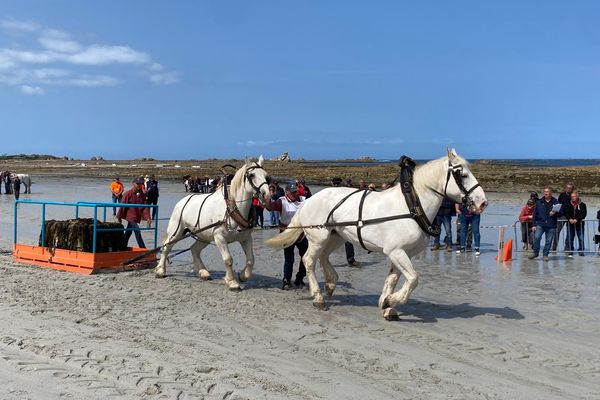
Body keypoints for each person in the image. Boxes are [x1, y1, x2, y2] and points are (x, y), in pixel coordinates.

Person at [264, 182, 308, 289]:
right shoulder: (282, 201)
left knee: (306, 257)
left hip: (301, 234)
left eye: (295, 192)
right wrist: (267, 198)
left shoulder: (303, 200)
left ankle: (300, 278)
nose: (294, 194)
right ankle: (287, 280)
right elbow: (270, 207)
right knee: (289, 259)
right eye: (292, 192)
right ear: (286, 192)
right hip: (287, 233)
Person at [331, 177, 361, 267]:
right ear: (332, 183)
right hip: (331, 220)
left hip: (343, 219)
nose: (336, 185)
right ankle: (323, 259)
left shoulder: (344, 192)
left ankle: (351, 259)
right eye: (335, 184)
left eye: (338, 183)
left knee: (348, 239)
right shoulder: (329, 193)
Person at [117, 177, 151, 248]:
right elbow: (122, 207)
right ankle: (143, 248)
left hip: (136, 216)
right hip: (130, 216)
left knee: (128, 232)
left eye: (141, 184)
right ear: (133, 184)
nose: (139, 185)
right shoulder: (127, 194)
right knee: (137, 231)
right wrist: (119, 217)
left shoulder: (143, 195)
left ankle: (122, 246)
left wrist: (148, 217)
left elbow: (144, 207)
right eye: (137, 183)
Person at [529, 187, 561, 261]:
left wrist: (555, 213)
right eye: (544, 191)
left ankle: (545, 255)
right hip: (540, 224)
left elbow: (561, 212)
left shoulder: (556, 202)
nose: (545, 193)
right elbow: (535, 214)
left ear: (551, 193)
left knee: (549, 241)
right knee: (537, 237)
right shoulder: (539, 202)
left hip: (551, 224)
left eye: (547, 192)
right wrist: (533, 225)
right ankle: (535, 253)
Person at [564, 191, 587, 257]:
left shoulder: (583, 204)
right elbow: (566, 213)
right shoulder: (568, 204)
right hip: (570, 223)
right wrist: (570, 219)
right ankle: (571, 251)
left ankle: (581, 251)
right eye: (572, 197)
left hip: (579, 224)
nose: (573, 198)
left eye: (574, 196)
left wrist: (577, 219)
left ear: (577, 196)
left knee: (581, 237)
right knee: (570, 238)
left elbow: (584, 214)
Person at [553, 183, 575, 251]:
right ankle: (554, 247)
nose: (568, 189)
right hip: (561, 216)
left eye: (570, 188)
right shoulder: (562, 195)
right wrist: (556, 213)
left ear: (572, 189)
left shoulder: (574, 196)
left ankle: (567, 248)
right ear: (565, 188)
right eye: (567, 188)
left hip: (571, 217)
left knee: (569, 233)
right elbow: (558, 204)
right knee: (557, 231)